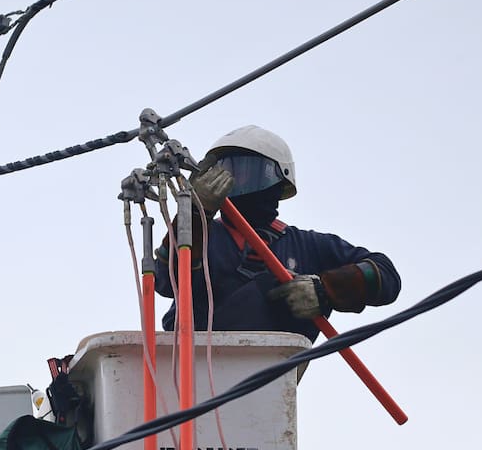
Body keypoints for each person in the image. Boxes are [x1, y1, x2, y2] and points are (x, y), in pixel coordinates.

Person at [153, 125, 400, 341]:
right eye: (229, 171)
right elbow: (166, 280)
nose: (237, 181)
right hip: (197, 366)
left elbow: (385, 274)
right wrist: (195, 215)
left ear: (278, 181)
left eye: (250, 172)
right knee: (269, 283)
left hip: (272, 376)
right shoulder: (202, 235)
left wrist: (326, 289)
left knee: (280, 286)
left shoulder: (307, 246)